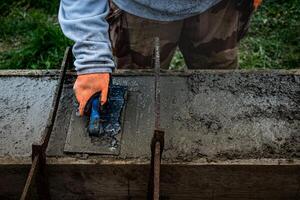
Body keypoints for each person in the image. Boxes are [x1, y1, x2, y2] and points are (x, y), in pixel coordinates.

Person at [59, 0, 262, 116]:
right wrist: (92, 59)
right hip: (139, 10)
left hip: (217, 7)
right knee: (137, 97)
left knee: (220, 84)